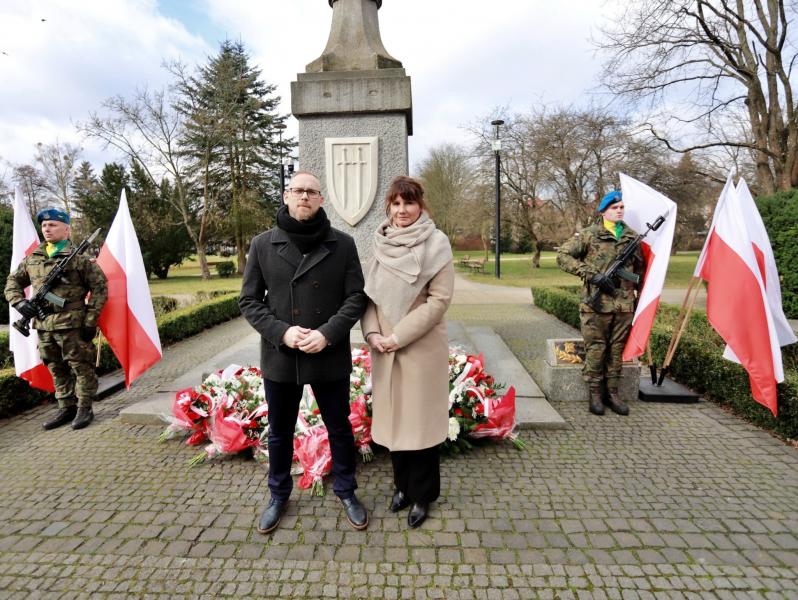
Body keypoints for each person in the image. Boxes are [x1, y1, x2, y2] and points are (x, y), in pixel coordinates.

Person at [239, 170, 368, 534]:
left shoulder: (343, 243)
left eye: (311, 191)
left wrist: (327, 333)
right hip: (283, 355)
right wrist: (283, 332)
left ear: (321, 199)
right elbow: (249, 300)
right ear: (286, 196)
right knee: (279, 431)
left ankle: (346, 490)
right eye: (298, 190)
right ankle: (278, 495)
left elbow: (355, 296)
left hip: (328, 353)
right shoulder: (263, 244)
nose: (304, 197)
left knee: (339, 428)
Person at [361, 176, 454, 529]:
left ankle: (423, 495)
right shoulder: (380, 242)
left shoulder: (437, 243)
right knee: (394, 420)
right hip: (383, 347)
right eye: (396, 204)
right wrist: (372, 332)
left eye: (409, 203)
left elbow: (439, 302)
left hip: (419, 345)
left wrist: (399, 336)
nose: (402, 210)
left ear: (421, 206)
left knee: (421, 424)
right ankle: (401, 487)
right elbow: (367, 295)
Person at [4, 208, 108, 430]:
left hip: (73, 323)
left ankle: (84, 407)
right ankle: (66, 406)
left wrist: (91, 319)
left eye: (52, 225)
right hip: (44, 324)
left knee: (81, 366)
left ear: (67, 229)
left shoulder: (78, 258)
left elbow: (100, 287)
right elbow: (12, 283)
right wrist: (20, 303)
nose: (46, 229)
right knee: (55, 366)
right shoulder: (33, 259)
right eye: (43, 225)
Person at [557, 190, 644, 417]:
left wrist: (640, 297)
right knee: (596, 348)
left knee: (616, 350)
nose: (619, 211)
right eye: (615, 208)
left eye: (622, 207)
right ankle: (595, 392)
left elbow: (640, 272)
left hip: (623, 304)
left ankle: (612, 392)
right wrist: (592, 275)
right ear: (604, 211)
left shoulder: (632, 238)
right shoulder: (589, 235)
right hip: (596, 304)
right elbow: (563, 257)